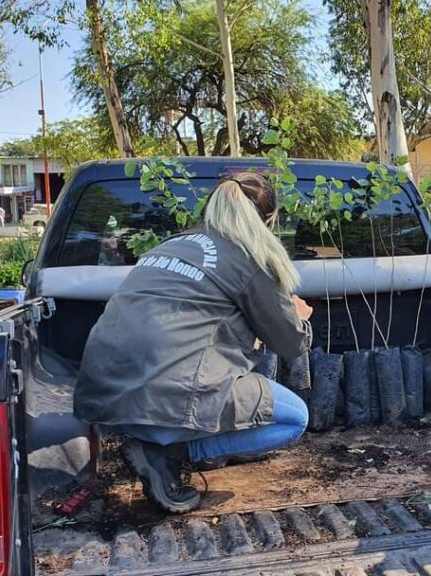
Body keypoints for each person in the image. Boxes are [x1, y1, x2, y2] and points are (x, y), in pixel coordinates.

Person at [74, 172, 313, 514]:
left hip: (105, 396)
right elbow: (290, 343)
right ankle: (170, 454)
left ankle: (157, 440)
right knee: (294, 418)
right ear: (269, 220)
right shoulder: (251, 258)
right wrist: (299, 316)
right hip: (160, 396)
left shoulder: (172, 245)